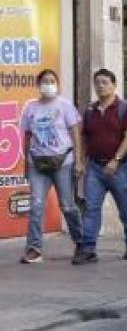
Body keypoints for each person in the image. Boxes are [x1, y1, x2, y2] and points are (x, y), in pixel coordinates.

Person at [19, 70, 85, 264]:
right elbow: (27, 136)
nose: (48, 84)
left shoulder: (65, 105)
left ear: (57, 84)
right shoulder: (31, 108)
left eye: (52, 81)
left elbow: (75, 133)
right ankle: (34, 248)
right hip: (37, 163)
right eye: (45, 81)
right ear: (38, 85)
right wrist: (25, 162)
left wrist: (79, 160)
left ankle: (81, 243)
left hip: (63, 162)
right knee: (36, 205)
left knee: (67, 205)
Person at [77, 68, 127, 265]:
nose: (100, 86)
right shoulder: (90, 110)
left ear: (114, 85)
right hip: (95, 167)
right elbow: (84, 137)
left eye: (105, 82)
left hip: (119, 167)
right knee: (91, 208)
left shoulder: (125, 108)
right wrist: (81, 161)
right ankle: (88, 249)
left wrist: (116, 159)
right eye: (97, 82)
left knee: (125, 208)